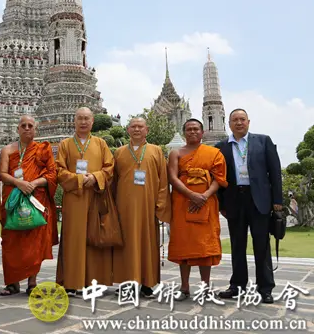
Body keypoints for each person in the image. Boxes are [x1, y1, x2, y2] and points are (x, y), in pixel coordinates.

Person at [215, 109, 283, 304]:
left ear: (248, 122)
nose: (239, 123)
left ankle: (265, 288)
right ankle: (237, 285)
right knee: (237, 245)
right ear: (229, 124)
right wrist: (221, 204)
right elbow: (218, 178)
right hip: (235, 200)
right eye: (235, 120)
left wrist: (277, 201)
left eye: (242, 119)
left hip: (259, 200)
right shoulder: (221, 147)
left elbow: (275, 172)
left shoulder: (263, 141)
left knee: (261, 245)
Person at [55, 107, 115, 294]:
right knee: (73, 238)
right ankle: (72, 282)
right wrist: (81, 179)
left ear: (92, 121)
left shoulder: (101, 143)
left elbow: (109, 167)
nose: (83, 122)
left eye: (86, 119)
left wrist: (95, 177)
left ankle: (93, 282)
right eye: (79, 118)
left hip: (95, 196)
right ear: (74, 121)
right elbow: (59, 170)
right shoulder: (65, 144)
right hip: (74, 197)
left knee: (94, 237)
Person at [167, 118, 228, 299]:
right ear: (184, 133)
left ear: (202, 133)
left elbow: (220, 178)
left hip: (206, 204)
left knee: (204, 247)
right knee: (183, 245)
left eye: (196, 129)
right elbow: (173, 177)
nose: (192, 132)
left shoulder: (214, 153)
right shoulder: (175, 153)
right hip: (182, 202)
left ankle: (205, 287)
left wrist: (205, 195)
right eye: (189, 129)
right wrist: (191, 195)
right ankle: (184, 287)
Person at [0, 115, 58, 296]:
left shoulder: (42, 149)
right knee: (11, 240)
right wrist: (20, 183)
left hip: (36, 199)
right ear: (17, 129)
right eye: (23, 125)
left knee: (35, 241)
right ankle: (12, 282)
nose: (26, 128)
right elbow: (2, 174)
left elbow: (52, 173)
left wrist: (35, 183)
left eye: (30, 125)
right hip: (13, 200)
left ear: (35, 129)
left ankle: (32, 282)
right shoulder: (7, 150)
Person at [112, 117, 171, 297]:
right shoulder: (119, 152)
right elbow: (112, 182)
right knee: (126, 245)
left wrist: (160, 204)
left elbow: (163, 179)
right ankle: (127, 283)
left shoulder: (156, 151)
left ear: (147, 130)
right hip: (124, 207)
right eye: (133, 126)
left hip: (148, 206)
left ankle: (147, 282)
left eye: (140, 126)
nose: (137, 129)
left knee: (148, 243)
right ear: (128, 130)